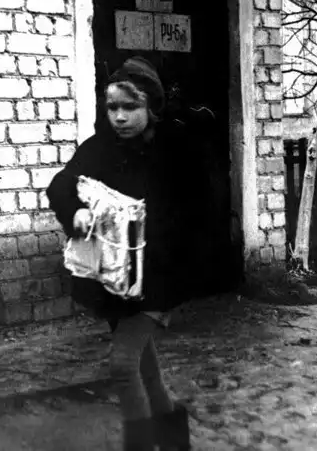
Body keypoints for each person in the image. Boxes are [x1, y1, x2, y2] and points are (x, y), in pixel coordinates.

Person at [47, 56, 206, 450]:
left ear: (151, 105)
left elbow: (198, 214)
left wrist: (165, 254)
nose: (119, 117)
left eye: (130, 107)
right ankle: (174, 444)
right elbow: (61, 185)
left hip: (160, 280)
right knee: (145, 371)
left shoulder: (176, 151)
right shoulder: (99, 148)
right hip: (115, 278)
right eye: (112, 107)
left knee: (122, 366)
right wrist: (76, 211)